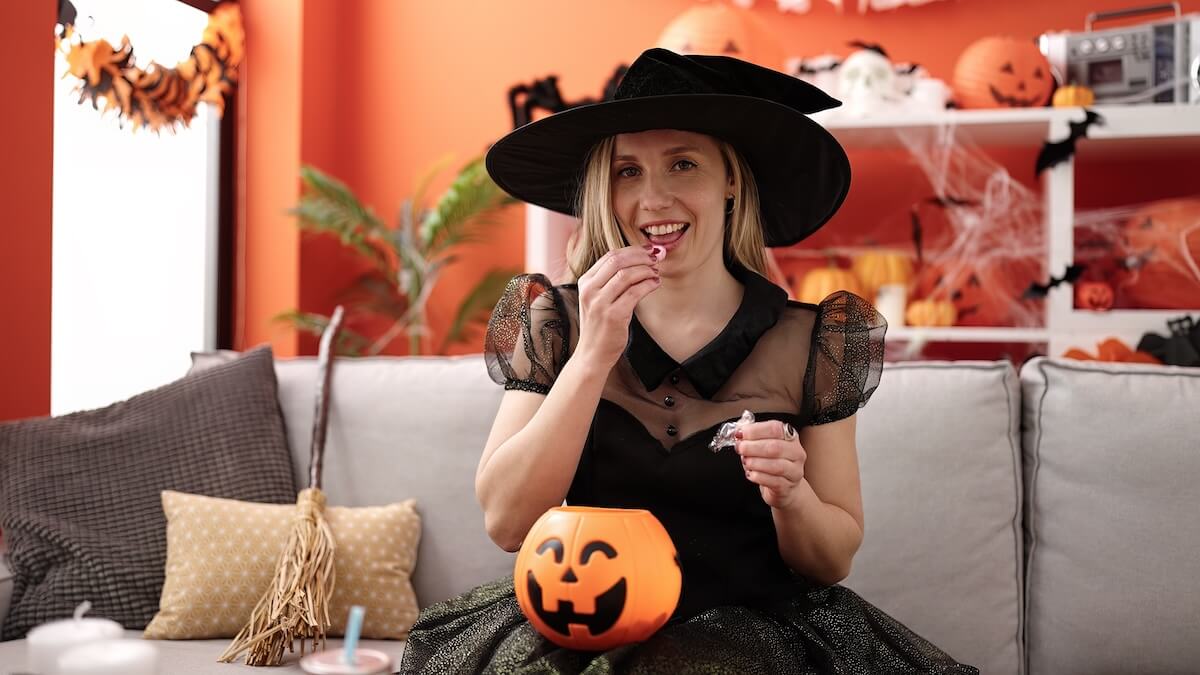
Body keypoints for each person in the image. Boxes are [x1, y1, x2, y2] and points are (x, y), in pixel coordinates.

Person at [398, 47, 978, 674]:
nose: (653, 199)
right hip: (585, 623)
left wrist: (791, 494)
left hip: (758, 636)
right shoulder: (558, 322)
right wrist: (592, 356)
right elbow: (509, 523)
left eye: (682, 164)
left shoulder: (817, 342)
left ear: (731, 181)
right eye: (628, 172)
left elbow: (831, 560)